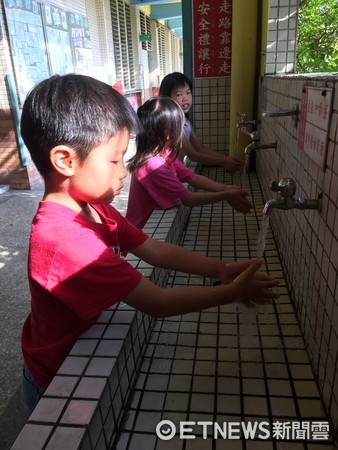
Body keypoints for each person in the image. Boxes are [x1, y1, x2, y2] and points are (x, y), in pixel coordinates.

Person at [20, 74, 279, 413]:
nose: (124, 171)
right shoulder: (66, 241)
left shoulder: (95, 207)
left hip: (76, 345)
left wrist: (223, 269)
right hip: (54, 377)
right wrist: (231, 291)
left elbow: (153, 249)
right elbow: (158, 302)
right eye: (114, 160)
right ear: (66, 160)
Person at [126, 97, 252, 230]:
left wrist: (227, 188)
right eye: (179, 126)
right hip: (140, 233)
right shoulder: (153, 165)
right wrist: (226, 195)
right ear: (167, 132)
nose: (182, 131)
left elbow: (192, 177)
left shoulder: (164, 153)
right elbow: (187, 199)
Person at [159, 72, 244, 172]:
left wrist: (226, 159)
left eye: (188, 92)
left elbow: (200, 149)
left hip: (173, 173)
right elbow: (193, 155)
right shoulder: (170, 124)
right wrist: (224, 162)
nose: (185, 98)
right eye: (178, 94)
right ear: (167, 98)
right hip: (164, 175)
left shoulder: (184, 120)